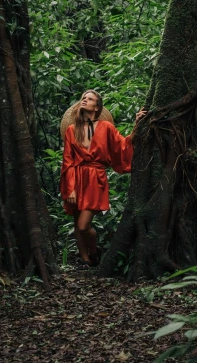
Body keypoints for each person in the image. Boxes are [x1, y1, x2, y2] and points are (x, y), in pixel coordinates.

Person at [59, 89, 146, 270]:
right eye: (83, 97)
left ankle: (94, 250)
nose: (84, 100)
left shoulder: (106, 128)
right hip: (75, 179)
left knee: (84, 226)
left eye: (89, 98)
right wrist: (71, 188)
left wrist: (137, 124)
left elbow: (123, 145)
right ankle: (85, 260)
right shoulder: (71, 130)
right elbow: (67, 161)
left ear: (96, 106)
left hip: (95, 179)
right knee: (77, 223)